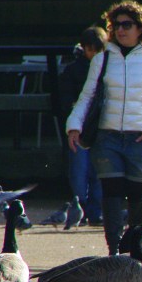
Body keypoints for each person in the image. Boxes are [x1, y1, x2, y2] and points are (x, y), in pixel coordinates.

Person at [65, 0, 142, 255]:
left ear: (140, 28)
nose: (121, 29)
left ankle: (137, 250)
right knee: (111, 194)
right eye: (116, 25)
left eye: (127, 24)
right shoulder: (101, 59)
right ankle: (114, 251)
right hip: (107, 136)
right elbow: (87, 96)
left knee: (137, 195)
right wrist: (74, 126)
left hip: (139, 138)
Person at [57, 26, 107, 226]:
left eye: (97, 50)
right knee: (79, 172)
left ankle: (95, 211)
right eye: (90, 50)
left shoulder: (108, 69)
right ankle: (81, 208)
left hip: (101, 127)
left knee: (98, 172)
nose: (94, 54)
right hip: (81, 127)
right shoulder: (73, 70)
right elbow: (65, 100)